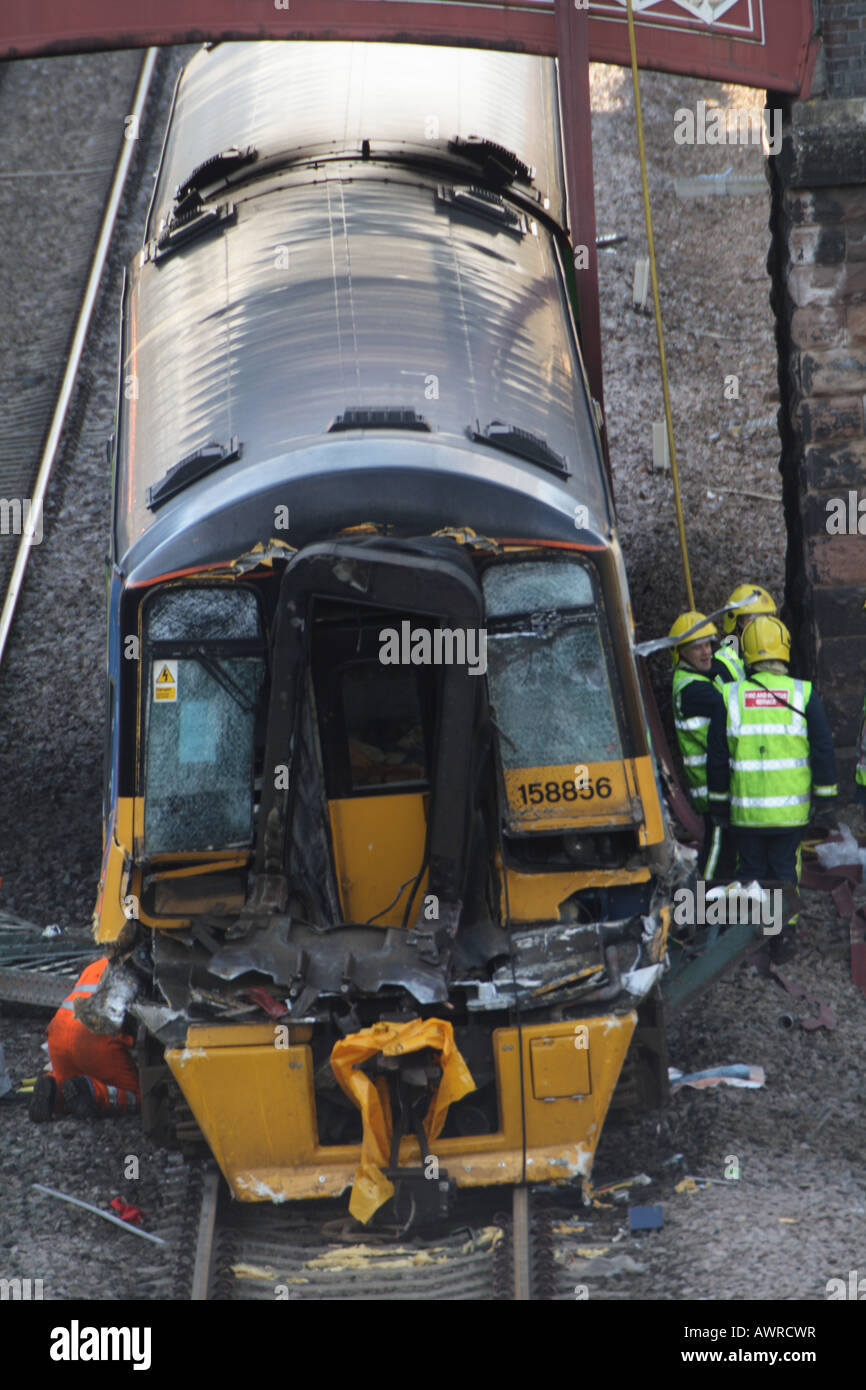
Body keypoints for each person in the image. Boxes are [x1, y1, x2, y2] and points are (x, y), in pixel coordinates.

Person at [706, 615, 837, 955]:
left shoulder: (729, 697)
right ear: (785, 650)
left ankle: (749, 940)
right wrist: (825, 800)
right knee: (783, 870)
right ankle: (782, 937)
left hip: (746, 814)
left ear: (746, 652)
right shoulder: (803, 693)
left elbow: (717, 760)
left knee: (749, 871)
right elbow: (823, 750)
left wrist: (718, 805)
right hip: (789, 815)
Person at [29, 957, 140, 1122]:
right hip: (94, 1038)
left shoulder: (93, 967)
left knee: (69, 1082)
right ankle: (92, 1093)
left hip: (58, 1035)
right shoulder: (139, 965)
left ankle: (54, 1089)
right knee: (138, 1096)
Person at [669, 611, 737, 879]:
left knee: (726, 851)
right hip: (712, 787)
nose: (706, 651)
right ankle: (703, 903)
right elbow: (734, 704)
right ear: (680, 652)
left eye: (709, 644)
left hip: (719, 782)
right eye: (697, 646)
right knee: (717, 853)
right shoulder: (691, 690)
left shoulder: (700, 678)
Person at [716, 583, 777, 683]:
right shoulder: (723, 661)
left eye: (766, 617)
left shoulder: (777, 652)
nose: (763, 624)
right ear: (738, 622)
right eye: (754, 618)